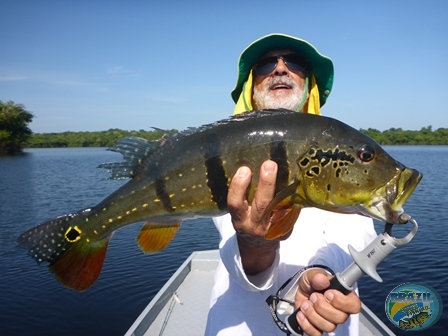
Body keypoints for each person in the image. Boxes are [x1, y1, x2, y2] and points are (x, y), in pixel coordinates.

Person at [205, 33, 377, 336]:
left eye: (294, 62)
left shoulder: (340, 150)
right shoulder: (229, 152)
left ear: (309, 84)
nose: (280, 68)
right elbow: (233, 242)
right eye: (266, 63)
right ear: (250, 87)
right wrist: (256, 243)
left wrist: (322, 272)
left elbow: (357, 231)